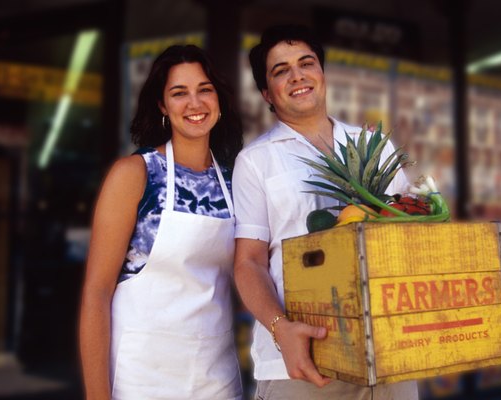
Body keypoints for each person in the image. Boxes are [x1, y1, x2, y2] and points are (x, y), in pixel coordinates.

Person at [232, 25, 418, 399]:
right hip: (302, 359)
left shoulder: (372, 145)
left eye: (306, 63)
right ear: (267, 93)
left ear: (322, 73)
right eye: (280, 70)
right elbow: (248, 263)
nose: (297, 75)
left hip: (388, 347)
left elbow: (409, 227)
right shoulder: (256, 161)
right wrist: (280, 326)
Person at [79, 44, 243, 400]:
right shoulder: (134, 174)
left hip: (216, 379)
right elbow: (97, 292)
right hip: (141, 378)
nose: (195, 103)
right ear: (162, 105)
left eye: (205, 90)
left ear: (219, 99)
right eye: (179, 93)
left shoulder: (235, 181)